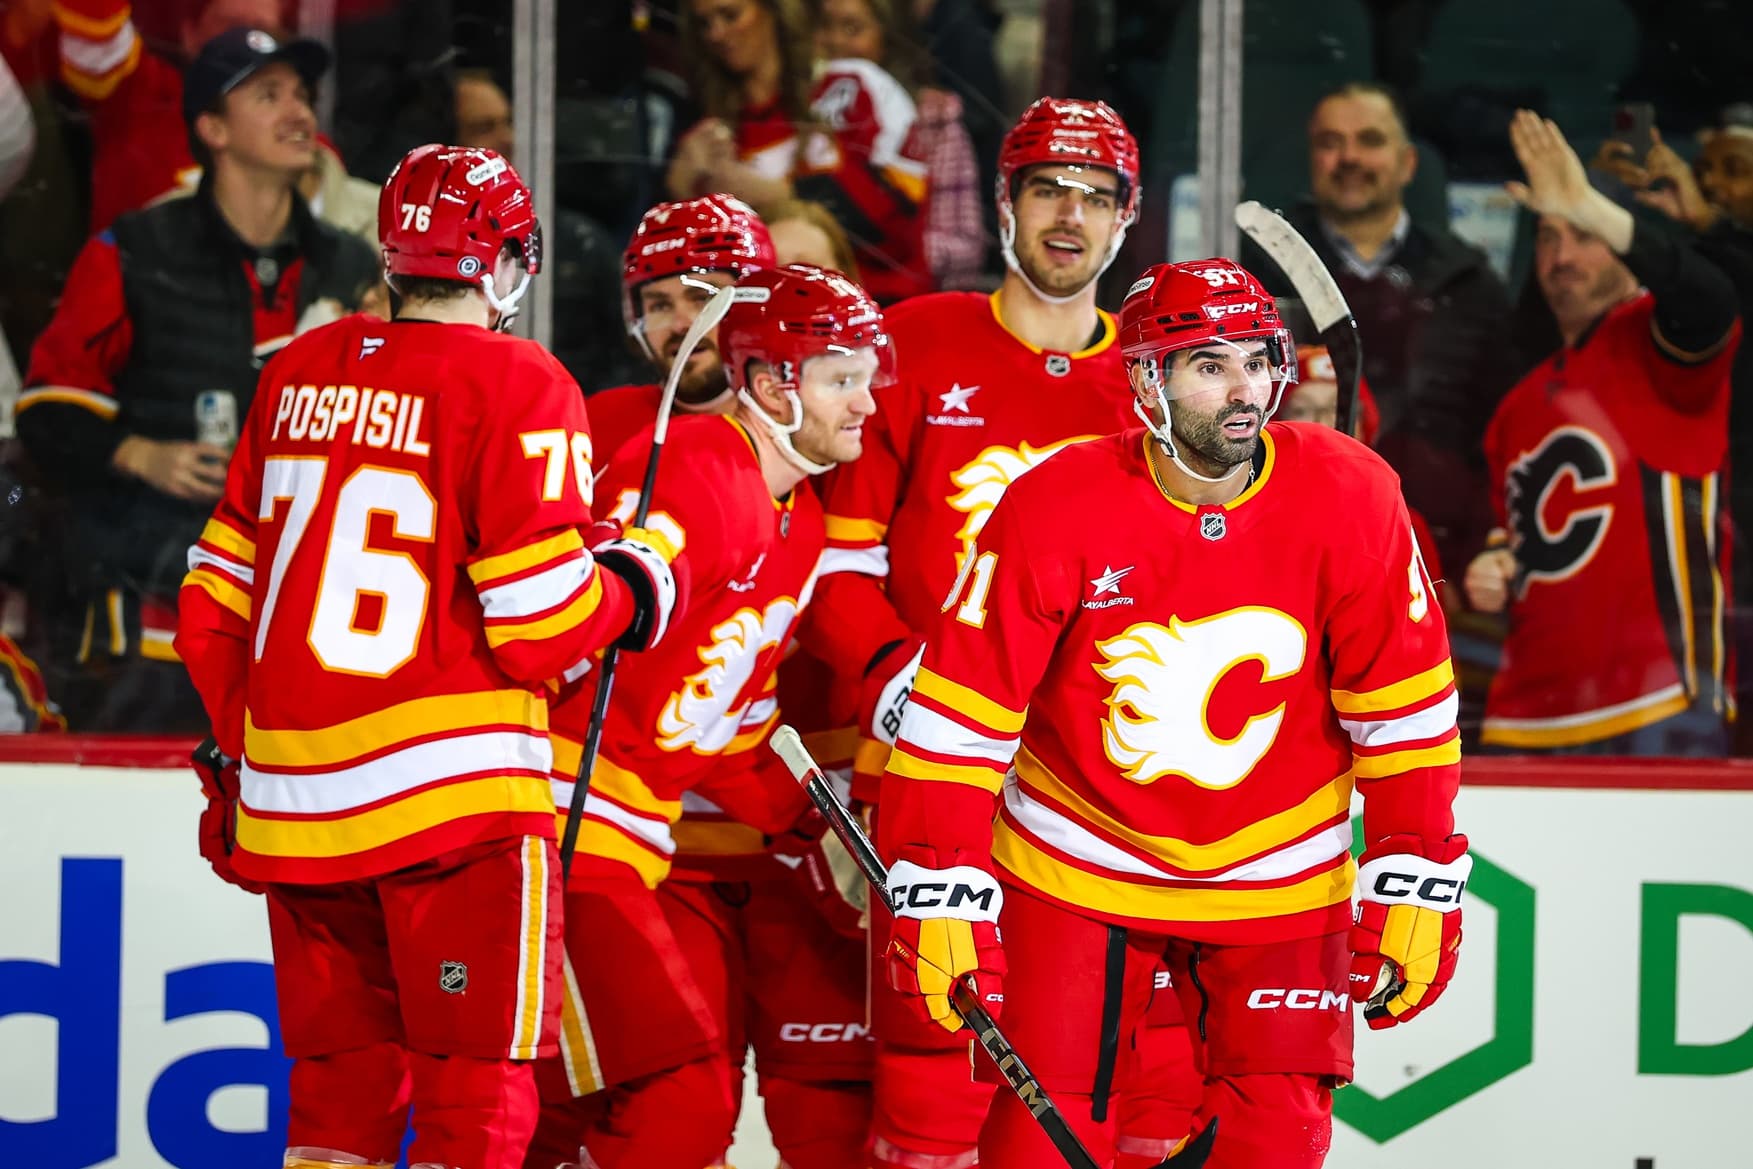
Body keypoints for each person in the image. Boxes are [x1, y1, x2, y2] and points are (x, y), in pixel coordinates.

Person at [878, 256, 1470, 1169]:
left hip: (1282, 870)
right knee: (1042, 1141)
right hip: (1077, 861)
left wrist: (1414, 862)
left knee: (1275, 1140)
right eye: (1209, 364)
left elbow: (1403, 715)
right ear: (1147, 380)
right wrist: (937, 881)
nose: (1244, 390)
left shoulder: (1353, 494)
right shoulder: (1053, 502)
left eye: (1257, 360)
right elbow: (958, 720)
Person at [172, 143, 681, 1169]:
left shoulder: (297, 370)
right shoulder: (522, 378)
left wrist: (253, 748)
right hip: (452, 823)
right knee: (475, 1113)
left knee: (333, 1113)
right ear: (501, 266)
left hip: (297, 819)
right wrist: (634, 587)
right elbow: (537, 627)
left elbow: (211, 601)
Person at [808, 95, 1148, 1169]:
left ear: (1126, 220)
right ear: (1002, 202)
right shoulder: (909, 345)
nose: (1069, 218)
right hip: (933, 776)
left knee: (1110, 1087)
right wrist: (896, 677)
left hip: (1094, 793)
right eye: (1048, 188)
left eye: (1097, 198)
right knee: (933, 1083)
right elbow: (833, 560)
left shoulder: (1152, 375)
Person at [522, 263, 890, 1169]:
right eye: (841, 379)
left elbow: (729, 723)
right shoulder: (695, 463)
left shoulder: (798, 517)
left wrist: (810, 826)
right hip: (554, 823)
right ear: (771, 385)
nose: (865, 405)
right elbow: (580, 622)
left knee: (564, 1116)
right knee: (682, 1091)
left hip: (618, 838)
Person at [16, 27, 377, 732]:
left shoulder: (354, 264)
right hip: (156, 618)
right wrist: (137, 452)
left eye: (302, 95)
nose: (299, 112)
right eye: (268, 95)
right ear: (211, 127)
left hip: (314, 618)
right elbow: (47, 413)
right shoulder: (131, 249)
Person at [1465, 111, 1742, 754]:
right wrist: (1493, 563)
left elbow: (1709, 298)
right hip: (1524, 716)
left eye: (1583, 234)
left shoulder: (1660, 345)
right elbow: (1516, 537)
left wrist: (1592, 202)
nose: (1562, 257)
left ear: (1623, 243)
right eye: (1548, 238)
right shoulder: (1517, 405)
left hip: (1657, 707)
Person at [1236, 81, 1514, 573]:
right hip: (1283, 555)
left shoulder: (1470, 283)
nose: (1349, 157)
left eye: (1370, 140)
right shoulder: (1249, 277)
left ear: (1408, 163)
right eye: (1329, 142)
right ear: (1311, 159)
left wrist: (1483, 549)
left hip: (1440, 565)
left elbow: (1499, 438)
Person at [670, 0, 932, 302]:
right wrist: (678, 193)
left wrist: (778, 195)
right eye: (704, 24)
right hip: (767, 318)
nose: (716, 33)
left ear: (774, 11)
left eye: (730, 15)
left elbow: (899, 204)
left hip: (881, 307)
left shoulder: (851, 87)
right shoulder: (708, 134)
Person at [588, 192, 778, 465]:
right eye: (660, 306)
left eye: (703, 299)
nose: (681, 325)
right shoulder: (599, 424)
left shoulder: (812, 432)